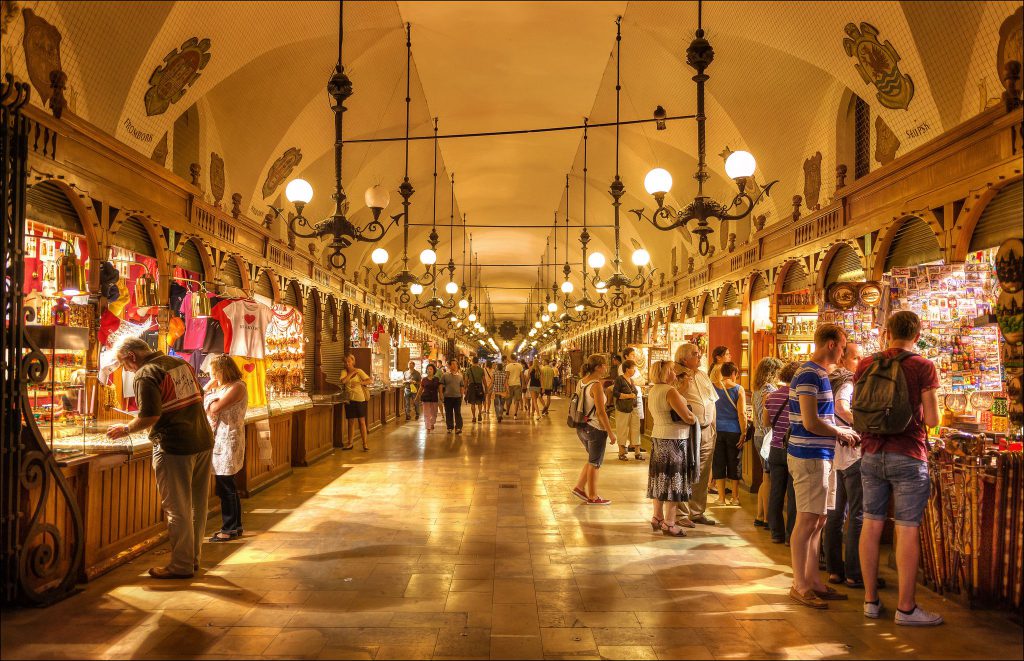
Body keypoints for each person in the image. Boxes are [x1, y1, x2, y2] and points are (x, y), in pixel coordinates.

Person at [856, 311, 942, 626]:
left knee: (871, 523)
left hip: (870, 453)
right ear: (917, 335)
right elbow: (932, 419)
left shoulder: (866, 364)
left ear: (887, 333)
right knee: (906, 528)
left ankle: (870, 601)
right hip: (908, 453)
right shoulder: (923, 366)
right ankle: (906, 609)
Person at [105, 336, 213, 579]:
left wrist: (124, 429)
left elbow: (149, 416)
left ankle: (181, 565)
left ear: (132, 356)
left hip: (175, 445)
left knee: (178, 508)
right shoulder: (179, 363)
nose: (125, 369)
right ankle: (192, 558)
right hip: (202, 439)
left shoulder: (146, 373)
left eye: (123, 363)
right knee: (197, 505)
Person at [786, 323, 860, 609]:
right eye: (842, 346)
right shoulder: (809, 374)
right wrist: (840, 432)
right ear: (831, 344)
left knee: (819, 519)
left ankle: (813, 580)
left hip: (821, 455)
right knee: (806, 521)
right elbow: (810, 421)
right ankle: (799, 584)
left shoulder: (820, 375)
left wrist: (836, 435)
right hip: (809, 457)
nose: (843, 351)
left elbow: (820, 419)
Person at [824, 342, 875, 589]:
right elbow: (841, 407)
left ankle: (835, 569)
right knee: (856, 515)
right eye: (856, 358)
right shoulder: (848, 382)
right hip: (852, 455)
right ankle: (854, 572)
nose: (860, 362)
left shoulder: (832, 379)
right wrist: (860, 425)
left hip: (836, 454)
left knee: (835, 513)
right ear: (844, 360)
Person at [646, 360, 698, 536]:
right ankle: (669, 522)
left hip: (658, 438)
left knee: (660, 479)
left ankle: (657, 517)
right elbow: (687, 417)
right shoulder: (670, 391)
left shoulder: (654, 390)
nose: (675, 374)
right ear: (665, 373)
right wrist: (693, 417)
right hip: (675, 441)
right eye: (672, 371)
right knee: (674, 481)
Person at [673, 343, 719, 528]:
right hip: (687, 430)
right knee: (684, 470)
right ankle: (681, 513)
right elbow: (672, 398)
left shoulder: (703, 375)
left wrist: (714, 425)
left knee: (703, 471)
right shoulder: (676, 375)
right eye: (695, 354)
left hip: (707, 430)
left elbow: (712, 401)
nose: (699, 356)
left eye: (699, 353)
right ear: (684, 358)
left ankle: (697, 511)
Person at [204, 354, 248, 542]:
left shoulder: (237, 387)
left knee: (226, 486)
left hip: (228, 438)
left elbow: (215, 408)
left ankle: (228, 528)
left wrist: (209, 392)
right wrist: (210, 388)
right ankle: (235, 526)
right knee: (227, 485)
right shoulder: (227, 387)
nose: (213, 376)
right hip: (223, 437)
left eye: (214, 372)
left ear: (222, 370)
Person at [571, 354, 616, 505]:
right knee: (595, 463)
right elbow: (601, 412)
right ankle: (593, 496)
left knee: (592, 460)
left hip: (582, 427)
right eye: (604, 365)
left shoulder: (582, 382)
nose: (606, 367)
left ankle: (579, 487)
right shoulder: (596, 385)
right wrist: (610, 432)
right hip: (595, 428)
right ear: (598, 367)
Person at [764, 361, 801, 544]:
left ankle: (776, 533)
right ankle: (790, 535)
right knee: (794, 495)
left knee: (776, 493)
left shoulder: (771, 396)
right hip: (794, 448)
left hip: (775, 447)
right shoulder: (799, 397)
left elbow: (766, 422)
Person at [752, 357, 784, 528]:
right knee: (769, 478)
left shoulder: (757, 389)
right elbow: (768, 414)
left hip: (759, 434)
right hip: (767, 436)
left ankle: (760, 514)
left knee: (766, 477)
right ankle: (767, 518)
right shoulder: (769, 389)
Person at [712, 362, 747, 506]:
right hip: (734, 430)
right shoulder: (739, 389)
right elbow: (742, 413)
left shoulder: (713, 387)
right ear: (734, 373)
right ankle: (734, 497)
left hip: (717, 430)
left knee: (719, 462)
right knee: (734, 462)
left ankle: (721, 498)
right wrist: (744, 432)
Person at [340, 354, 373, 452]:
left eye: (349, 361)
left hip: (360, 399)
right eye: (345, 362)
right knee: (350, 422)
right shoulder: (344, 372)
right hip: (349, 400)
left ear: (353, 362)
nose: (347, 363)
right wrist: (351, 373)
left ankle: (365, 444)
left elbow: (370, 381)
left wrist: (360, 383)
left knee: (361, 421)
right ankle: (350, 443)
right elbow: (344, 381)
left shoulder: (359, 371)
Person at [613, 359, 641, 461]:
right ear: (627, 369)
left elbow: (635, 393)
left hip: (633, 408)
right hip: (623, 408)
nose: (634, 370)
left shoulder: (632, 381)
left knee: (635, 429)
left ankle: (637, 452)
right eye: (633, 368)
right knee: (622, 429)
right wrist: (628, 395)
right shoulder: (619, 379)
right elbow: (615, 393)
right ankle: (621, 452)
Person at [440, 359, 466, 434]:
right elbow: (441, 385)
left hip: (457, 397)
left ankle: (458, 427)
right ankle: (450, 427)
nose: (454, 366)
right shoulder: (445, 375)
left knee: (458, 412)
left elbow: (462, 386)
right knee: (448, 412)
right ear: (450, 365)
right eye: (453, 364)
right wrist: (441, 394)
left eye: (455, 364)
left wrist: (462, 395)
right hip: (447, 397)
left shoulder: (460, 376)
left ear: (457, 366)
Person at [417, 363, 442, 432]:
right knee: (426, 413)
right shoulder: (424, 379)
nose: (429, 370)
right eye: (428, 369)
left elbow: (439, 388)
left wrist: (441, 395)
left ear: (434, 370)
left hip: (434, 397)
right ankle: (428, 427)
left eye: (431, 369)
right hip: (426, 397)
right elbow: (421, 388)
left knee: (434, 413)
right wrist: (417, 396)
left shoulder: (437, 379)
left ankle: (432, 423)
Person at [465, 357, 487, 423]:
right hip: (479, 386)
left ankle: (474, 417)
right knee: (480, 401)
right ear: (478, 362)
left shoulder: (468, 370)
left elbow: (466, 380)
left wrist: (465, 388)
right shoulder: (481, 370)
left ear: (472, 361)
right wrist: (486, 387)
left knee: (473, 403)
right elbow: (484, 380)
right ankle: (480, 414)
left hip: (471, 387)